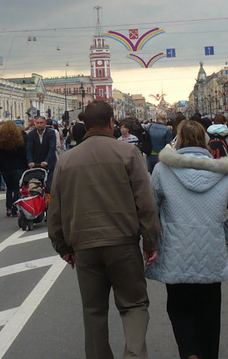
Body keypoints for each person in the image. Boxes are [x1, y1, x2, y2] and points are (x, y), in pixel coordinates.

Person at [48, 101, 159, 359]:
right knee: (134, 305)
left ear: (84, 125)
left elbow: (55, 212)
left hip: (85, 248)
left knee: (94, 311)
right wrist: (151, 242)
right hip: (123, 245)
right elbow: (146, 203)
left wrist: (63, 247)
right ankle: (134, 354)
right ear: (111, 123)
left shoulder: (66, 160)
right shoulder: (129, 154)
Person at [146, 119, 228, 359]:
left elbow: (151, 209)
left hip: (175, 252)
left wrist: (156, 237)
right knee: (210, 309)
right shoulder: (221, 171)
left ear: (178, 140)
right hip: (210, 253)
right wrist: (222, 233)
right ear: (205, 141)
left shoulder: (163, 170)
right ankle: (207, 353)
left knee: (179, 307)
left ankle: (189, 352)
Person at [0, 121, 27, 218]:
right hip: (18, 167)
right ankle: (15, 209)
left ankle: (8, 208)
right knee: (17, 189)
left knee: (9, 188)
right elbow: (23, 155)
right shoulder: (19, 140)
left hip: (5, 168)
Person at [27, 116, 58, 191]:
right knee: (37, 187)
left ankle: (50, 200)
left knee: (49, 186)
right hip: (37, 163)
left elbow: (52, 148)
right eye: (37, 123)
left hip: (50, 163)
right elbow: (29, 149)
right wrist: (30, 161)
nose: (39, 125)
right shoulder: (31, 134)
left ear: (45, 123)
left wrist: (46, 161)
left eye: (41, 123)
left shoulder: (51, 133)